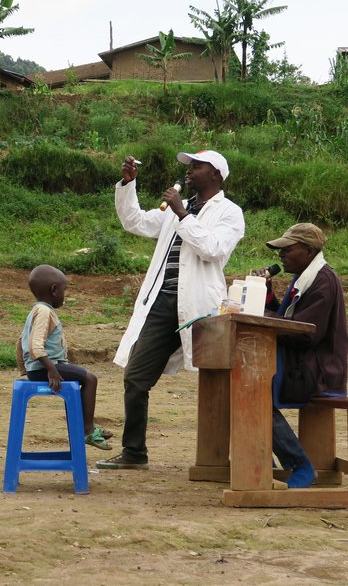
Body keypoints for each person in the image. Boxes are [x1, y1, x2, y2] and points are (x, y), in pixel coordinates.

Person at [97, 150, 245, 470]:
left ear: (216, 175)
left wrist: (182, 215)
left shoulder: (229, 213)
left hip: (201, 309)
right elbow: (134, 221)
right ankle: (134, 452)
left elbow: (212, 250)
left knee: (219, 382)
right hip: (163, 304)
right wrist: (127, 184)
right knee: (136, 377)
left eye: (197, 166)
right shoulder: (178, 208)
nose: (189, 171)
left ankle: (233, 457)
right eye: (188, 167)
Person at [260, 223, 348, 488]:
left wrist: (261, 317)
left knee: (253, 396)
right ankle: (265, 461)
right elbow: (289, 318)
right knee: (242, 387)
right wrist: (266, 296)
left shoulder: (323, 281)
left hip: (317, 368)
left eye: (287, 249)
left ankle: (299, 465)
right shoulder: (305, 277)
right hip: (299, 361)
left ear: (309, 251)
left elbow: (304, 333)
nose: (281, 255)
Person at [20, 264, 112, 449]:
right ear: (54, 290)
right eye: (64, 290)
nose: (64, 295)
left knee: (79, 382)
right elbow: (34, 345)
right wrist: (52, 370)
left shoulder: (36, 311)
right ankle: (87, 430)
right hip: (44, 369)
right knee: (90, 379)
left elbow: (20, 341)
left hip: (38, 369)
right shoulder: (45, 312)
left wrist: (24, 369)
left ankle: (86, 425)